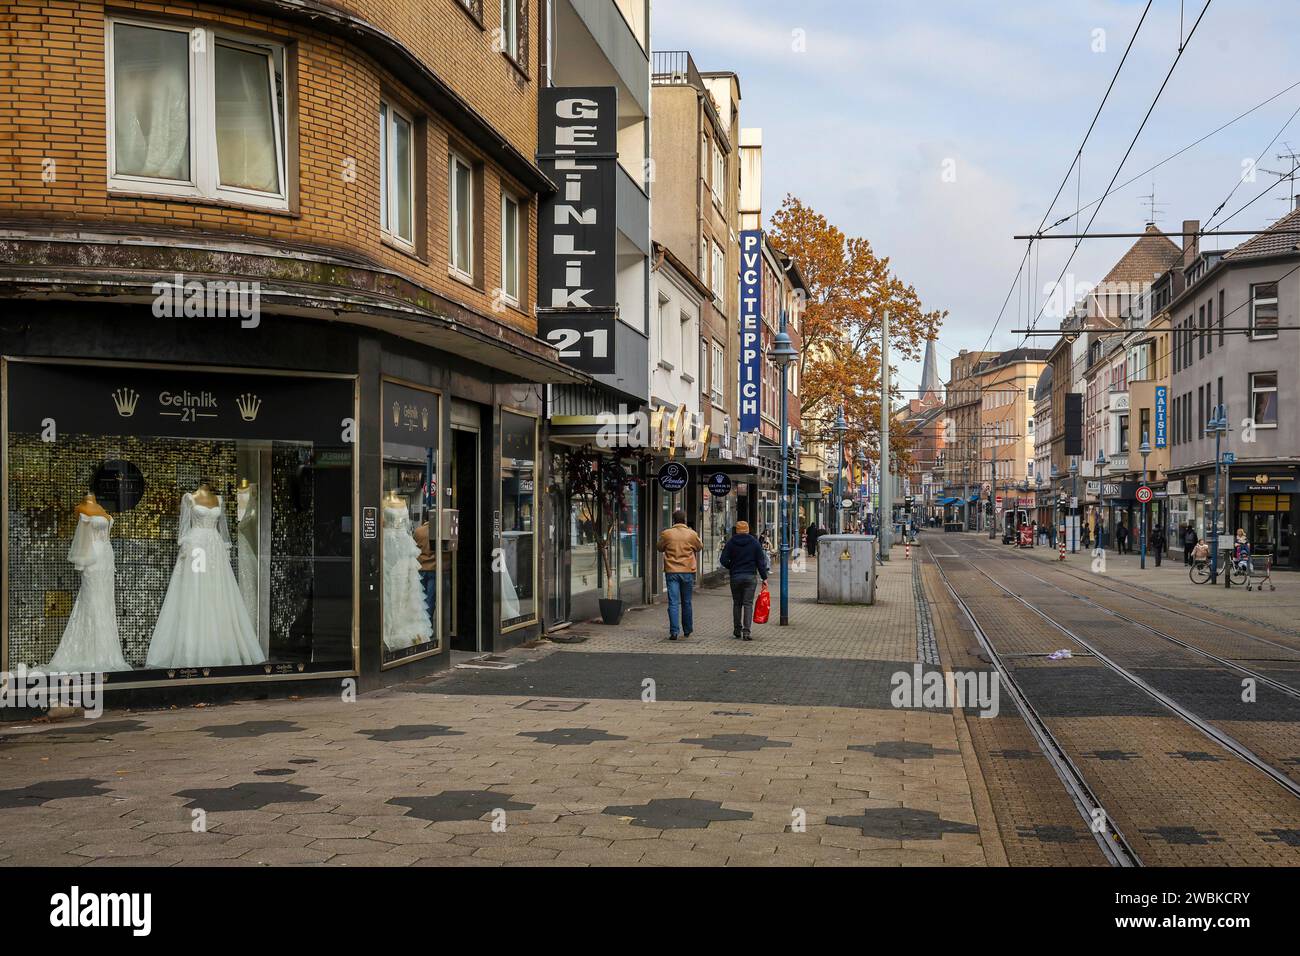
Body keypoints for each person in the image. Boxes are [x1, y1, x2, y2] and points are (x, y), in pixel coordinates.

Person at [656, 509, 703, 641]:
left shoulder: (667, 534)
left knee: (673, 602)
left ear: (673, 520)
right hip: (688, 571)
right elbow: (699, 547)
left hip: (671, 571)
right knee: (686, 602)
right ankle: (687, 630)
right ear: (684, 520)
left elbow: (659, 547)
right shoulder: (691, 534)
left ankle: (674, 632)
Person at [720, 520, 769, 641]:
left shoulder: (731, 542)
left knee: (737, 603)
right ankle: (746, 632)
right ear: (747, 530)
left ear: (737, 530)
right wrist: (764, 577)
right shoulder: (754, 542)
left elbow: (723, 560)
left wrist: (732, 567)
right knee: (748, 604)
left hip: (736, 576)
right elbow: (760, 562)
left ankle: (737, 629)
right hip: (750, 577)